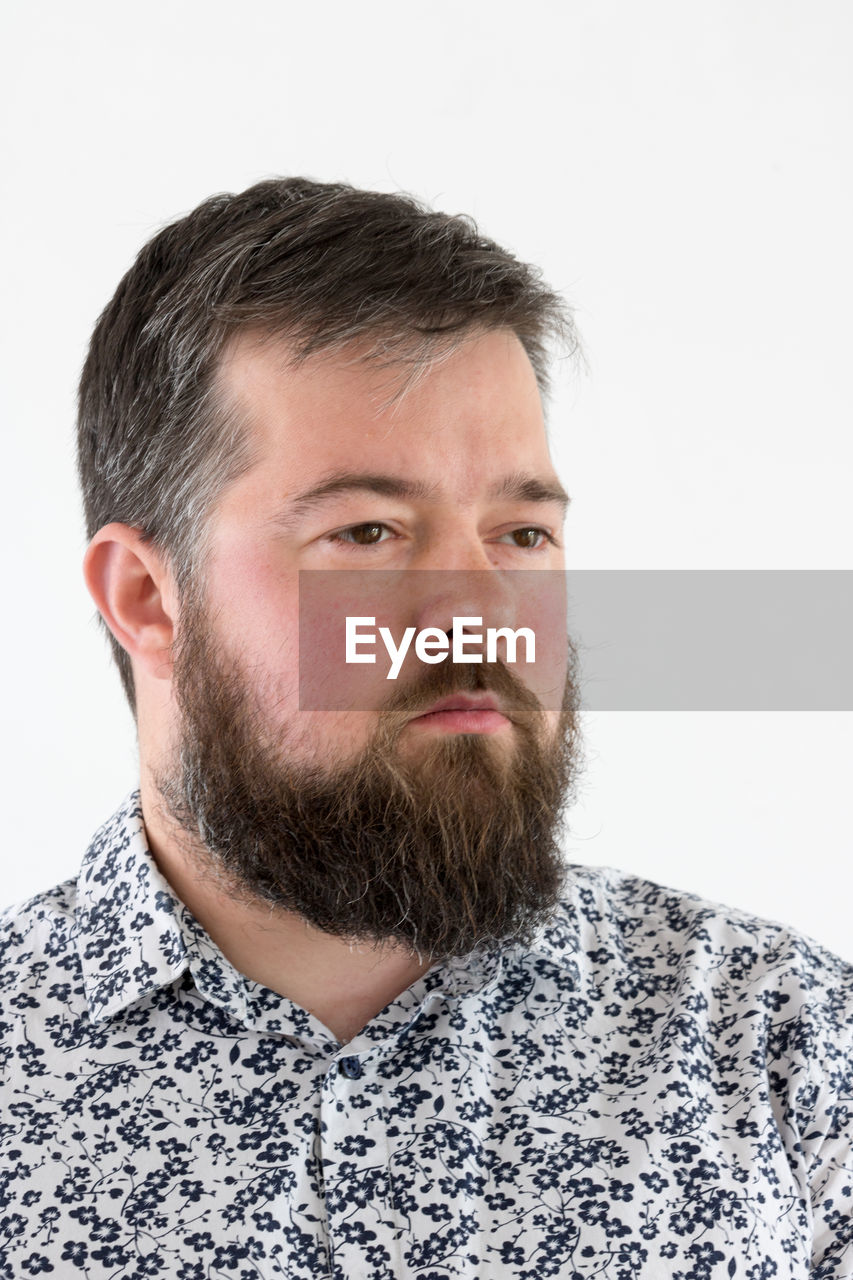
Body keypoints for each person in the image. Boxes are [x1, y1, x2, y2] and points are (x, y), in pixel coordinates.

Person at [1, 180, 851, 1280]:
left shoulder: (792, 1048)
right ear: (148, 598)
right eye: (366, 530)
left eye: (522, 532)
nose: (482, 612)